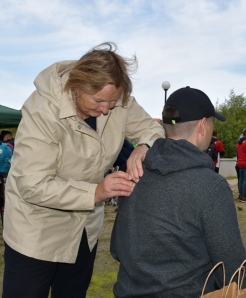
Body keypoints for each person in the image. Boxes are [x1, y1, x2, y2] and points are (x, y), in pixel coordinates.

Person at [2, 42, 165, 298]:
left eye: (112, 101)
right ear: (77, 86)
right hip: (36, 228)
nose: (106, 109)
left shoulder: (117, 101)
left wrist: (143, 145)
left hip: (84, 229)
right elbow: (32, 184)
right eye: (99, 100)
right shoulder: (42, 111)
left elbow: (154, 129)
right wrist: (96, 192)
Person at [111, 86, 246, 297]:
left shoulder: (135, 172)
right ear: (203, 126)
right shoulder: (210, 186)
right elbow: (233, 270)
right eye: (213, 122)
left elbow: (116, 248)